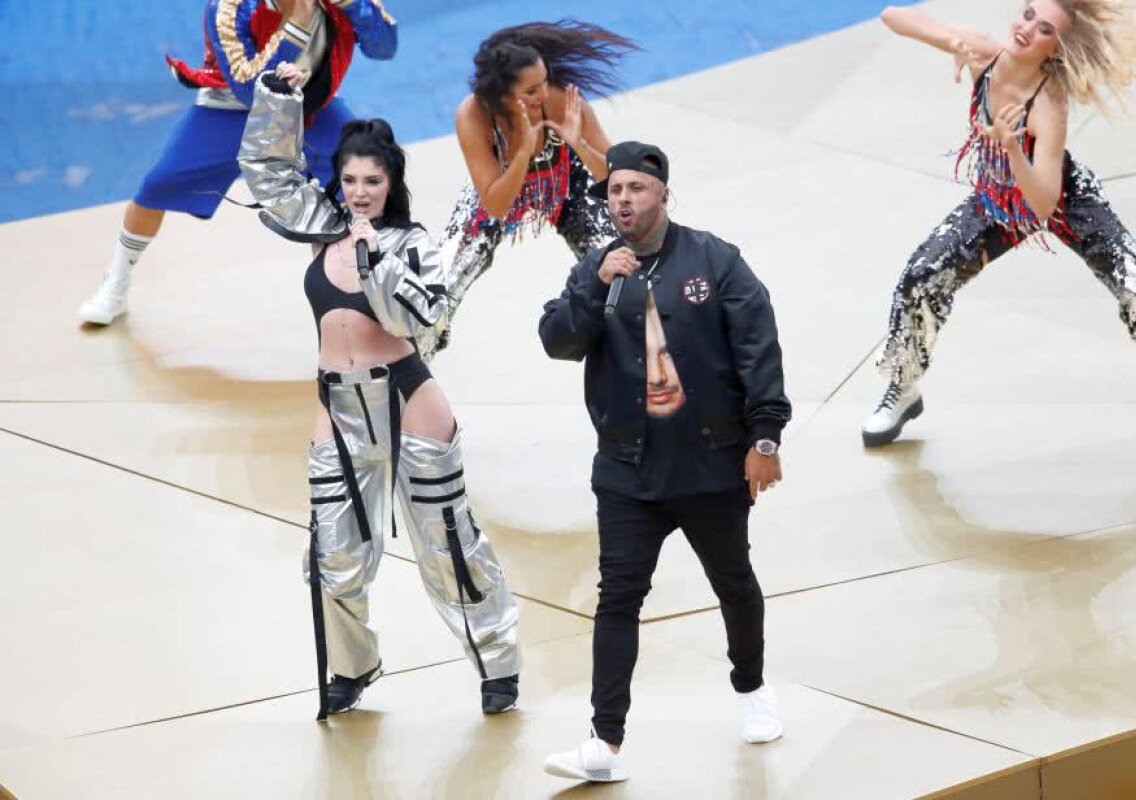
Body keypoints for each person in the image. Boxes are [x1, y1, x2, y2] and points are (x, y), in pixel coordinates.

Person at [238, 67, 520, 718]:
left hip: (406, 403)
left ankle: (497, 663)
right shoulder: (320, 224)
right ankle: (353, 667)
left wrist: (376, 262)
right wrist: (279, 101)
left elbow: (420, 321)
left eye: (374, 180)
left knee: (447, 548)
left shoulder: (411, 246)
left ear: (391, 185)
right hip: (336, 408)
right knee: (332, 557)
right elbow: (269, 176)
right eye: (351, 179)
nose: (360, 192)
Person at [538, 142, 791, 782]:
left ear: (662, 196)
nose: (623, 200)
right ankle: (605, 743)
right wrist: (594, 289)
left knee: (733, 581)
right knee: (617, 597)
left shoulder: (715, 260)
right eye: (614, 191)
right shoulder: (599, 270)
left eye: (635, 189)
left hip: (710, 463)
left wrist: (764, 439)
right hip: (628, 470)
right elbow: (558, 341)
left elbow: (758, 347)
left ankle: (752, 688)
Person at [862, 0, 1136, 449]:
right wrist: (953, 41)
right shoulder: (985, 54)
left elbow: (1042, 204)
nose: (1026, 29)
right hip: (999, 196)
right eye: (1026, 15)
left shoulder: (1049, 102)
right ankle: (903, 388)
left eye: (1043, 30)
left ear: (1054, 48)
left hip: (1062, 199)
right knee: (921, 274)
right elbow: (893, 16)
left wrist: (1014, 147)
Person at [79, 0, 397, 327]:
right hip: (230, 110)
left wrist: (355, 5)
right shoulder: (228, 8)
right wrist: (296, 28)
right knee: (158, 186)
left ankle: (378, 282)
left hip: (307, 108)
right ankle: (115, 282)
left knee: (364, 174)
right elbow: (250, 90)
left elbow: (385, 47)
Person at [414, 19, 637, 360]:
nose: (543, 94)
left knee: (623, 275)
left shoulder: (560, 101)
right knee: (437, 291)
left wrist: (579, 145)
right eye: (531, 91)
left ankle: (633, 361)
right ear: (502, 95)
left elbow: (618, 178)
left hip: (566, 185)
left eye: (544, 83)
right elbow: (495, 206)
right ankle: (409, 376)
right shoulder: (472, 116)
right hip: (499, 188)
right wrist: (519, 153)